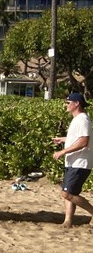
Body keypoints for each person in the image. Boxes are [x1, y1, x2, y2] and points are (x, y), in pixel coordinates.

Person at [52, 92, 93, 228]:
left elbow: (83, 141)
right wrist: (63, 139)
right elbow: (78, 138)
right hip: (73, 162)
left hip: (80, 162)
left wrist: (62, 151)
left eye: (68, 103)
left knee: (67, 193)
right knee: (70, 192)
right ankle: (68, 221)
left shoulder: (82, 119)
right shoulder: (77, 119)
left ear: (77, 104)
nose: (66, 105)